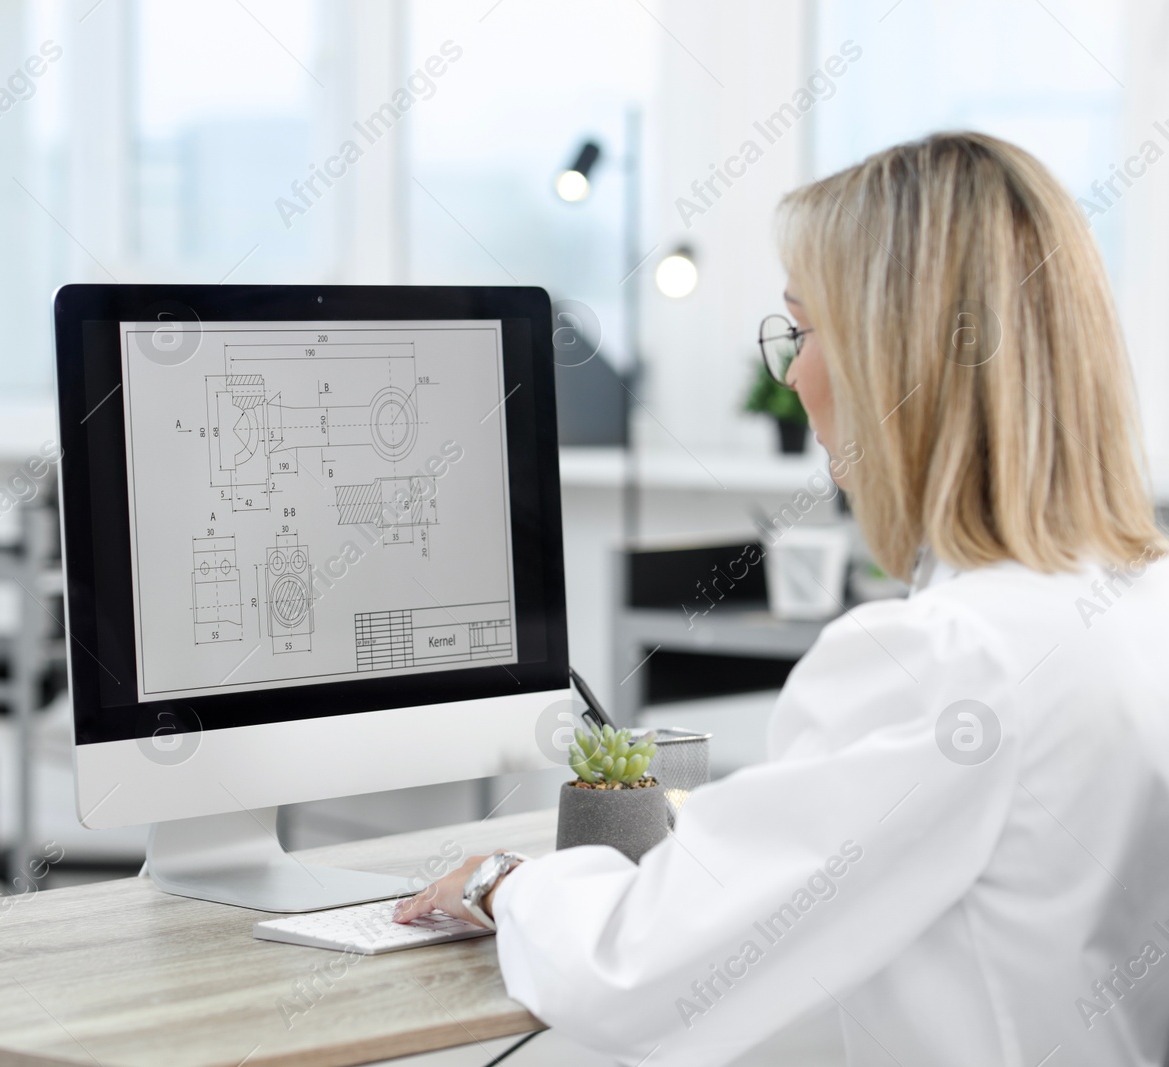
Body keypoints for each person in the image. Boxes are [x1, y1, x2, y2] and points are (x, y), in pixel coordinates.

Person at [395, 132, 1169, 1065]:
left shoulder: (950, 663)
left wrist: (503, 881)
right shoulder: (1133, 605)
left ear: (893, 361)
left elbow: (633, 969)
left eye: (803, 330)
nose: (792, 372)